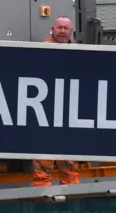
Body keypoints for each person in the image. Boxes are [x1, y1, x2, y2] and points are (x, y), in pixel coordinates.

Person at [32, 16, 79, 187]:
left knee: (68, 146)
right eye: (59, 27)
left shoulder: (79, 51)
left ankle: (70, 181)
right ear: (52, 29)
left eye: (66, 28)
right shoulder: (43, 49)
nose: (62, 31)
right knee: (44, 146)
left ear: (71, 31)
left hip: (69, 108)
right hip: (45, 106)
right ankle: (41, 183)